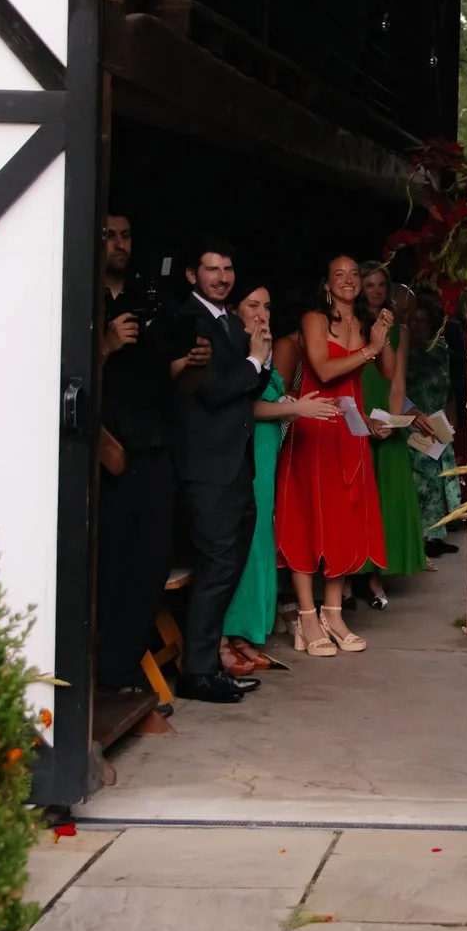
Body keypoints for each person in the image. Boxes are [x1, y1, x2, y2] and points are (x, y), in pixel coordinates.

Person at [95, 214, 194, 701]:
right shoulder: (82, 292)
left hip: (156, 441)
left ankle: (124, 663)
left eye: (126, 235)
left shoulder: (148, 295)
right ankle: (110, 671)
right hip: (105, 449)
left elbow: (170, 375)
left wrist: (188, 362)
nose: (118, 244)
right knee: (109, 560)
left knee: (154, 557)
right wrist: (107, 346)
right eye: (109, 235)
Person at [219, 280, 343, 666]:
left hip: (269, 456)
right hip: (247, 456)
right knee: (247, 545)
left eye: (267, 306)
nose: (262, 314)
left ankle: (246, 634)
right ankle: (226, 636)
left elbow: (270, 397)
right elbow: (248, 408)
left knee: (261, 546)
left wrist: (293, 402)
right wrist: (295, 410)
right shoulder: (234, 349)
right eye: (253, 305)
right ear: (235, 309)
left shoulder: (265, 348)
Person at [168, 238, 270, 703]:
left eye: (228, 269)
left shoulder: (227, 320)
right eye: (212, 270)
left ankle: (208, 666)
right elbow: (210, 391)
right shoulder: (187, 321)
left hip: (234, 465)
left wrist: (261, 358)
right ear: (193, 275)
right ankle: (196, 674)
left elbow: (246, 387)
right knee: (215, 568)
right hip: (207, 468)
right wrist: (253, 359)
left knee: (226, 568)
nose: (222, 277)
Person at [275, 255, 393, 656]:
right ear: (326, 284)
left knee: (345, 518)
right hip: (314, 426)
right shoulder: (315, 319)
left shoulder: (363, 324)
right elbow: (323, 371)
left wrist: (382, 340)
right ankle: (307, 617)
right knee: (307, 518)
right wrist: (370, 350)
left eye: (354, 274)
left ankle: (333, 612)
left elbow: (389, 373)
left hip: (349, 429)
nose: (348, 280)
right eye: (338, 275)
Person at [355, 263, 429, 605]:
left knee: (387, 497)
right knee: (355, 497)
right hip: (355, 409)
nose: (375, 290)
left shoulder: (399, 329)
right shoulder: (350, 325)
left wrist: (393, 419)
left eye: (381, 284)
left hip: (384, 412)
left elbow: (398, 381)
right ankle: (347, 575)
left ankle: (374, 577)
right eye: (368, 284)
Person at [403, 287, 462, 550]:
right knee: (422, 476)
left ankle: (436, 534)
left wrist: (451, 424)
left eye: (422, 321)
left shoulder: (441, 353)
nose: (416, 326)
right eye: (412, 321)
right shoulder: (402, 355)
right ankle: (419, 537)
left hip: (438, 420)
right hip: (411, 420)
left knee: (442, 475)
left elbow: (449, 391)